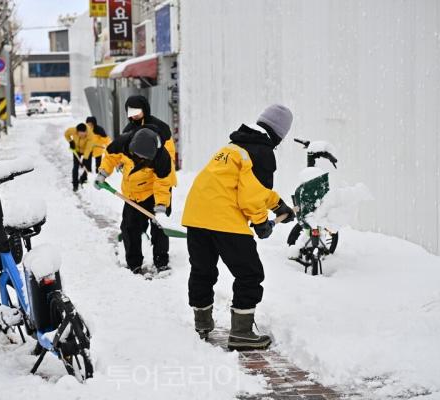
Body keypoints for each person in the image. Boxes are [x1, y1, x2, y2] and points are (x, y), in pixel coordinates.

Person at [181, 104, 296, 350]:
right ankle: (242, 333)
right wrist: (260, 222)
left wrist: (277, 205)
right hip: (224, 219)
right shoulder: (262, 151)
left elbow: (245, 187)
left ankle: (202, 324)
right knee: (250, 274)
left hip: (197, 215)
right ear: (279, 133)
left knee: (203, 271)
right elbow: (252, 195)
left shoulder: (234, 147)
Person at [94, 125, 175, 274]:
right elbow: (110, 157)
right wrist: (103, 173)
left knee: (159, 229)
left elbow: (162, 184)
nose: (139, 159)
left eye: (144, 158)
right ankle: (134, 264)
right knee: (129, 228)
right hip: (132, 195)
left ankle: (161, 262)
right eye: (137, 156)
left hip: (153, 194)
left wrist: (161, 207)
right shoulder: (123, 143)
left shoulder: (162, 157)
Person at [64, 123, 93, 192]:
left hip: (86, 150)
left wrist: (85, 159)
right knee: (75, 167)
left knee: (87, 166)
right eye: (80, 134)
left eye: (83, 134)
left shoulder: (90, 135)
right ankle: (75, 184)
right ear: (77, 132)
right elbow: (66, 134)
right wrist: (70, 141)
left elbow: (88, 148)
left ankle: (83, 179)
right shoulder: (73, 130)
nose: (82, 136)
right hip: (76, 150)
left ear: (86, 132)